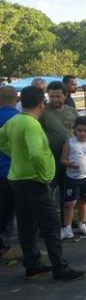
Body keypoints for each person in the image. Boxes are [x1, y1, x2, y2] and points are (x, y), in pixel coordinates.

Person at [0, 86, 86, 281]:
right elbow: (38, 153)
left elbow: (1, 140)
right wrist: (46, 173)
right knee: (51, 224)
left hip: (17, 178)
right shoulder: (31, 124)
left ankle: (32, 264)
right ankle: (60, 268)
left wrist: (15, 154)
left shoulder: (15, 120)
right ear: (41, 103)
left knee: (26, 222)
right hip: (33, 180)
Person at [40, 81, 79, 237]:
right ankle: (45, 225)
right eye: (52, 96)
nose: (55, 99)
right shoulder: (43, 112)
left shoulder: (72, 111)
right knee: (48, 193)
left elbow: (80, 131)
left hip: (70, 159)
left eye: (58, 96)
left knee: (69, 193)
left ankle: (68, 222)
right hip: (51, 159)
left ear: (65, 95)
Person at [60, 116, 86, 238]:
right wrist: (68, 164)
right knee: (69, 203)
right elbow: (62, 159)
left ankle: (82, 224)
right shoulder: (70, 142)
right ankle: (67, 228)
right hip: (72, 178)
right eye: (79, 130)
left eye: (85, 130)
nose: (82, 133)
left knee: (84, 201)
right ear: (74, 130)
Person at [0, 86, 19, 258]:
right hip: (11, 172)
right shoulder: (17, 119)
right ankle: (4, 247)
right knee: (8, 212)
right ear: (17, 100)